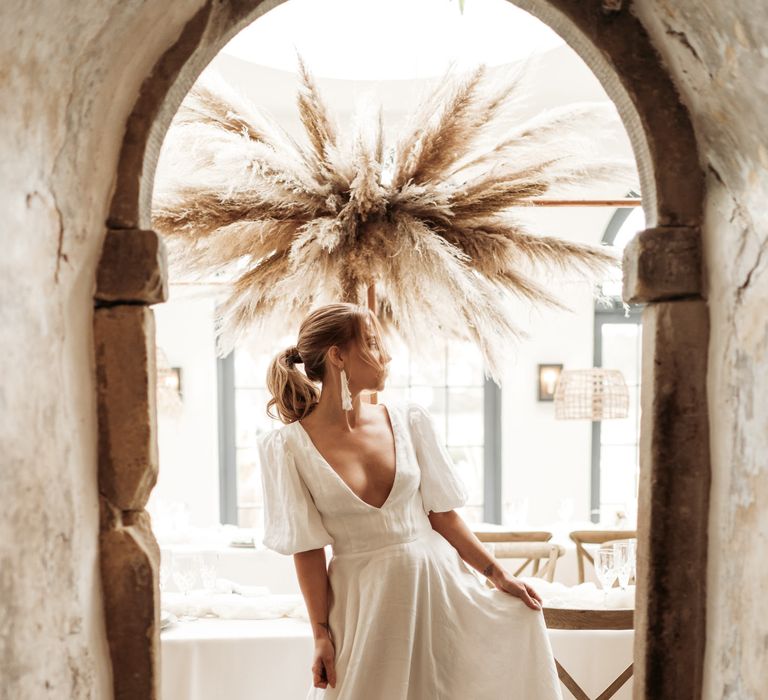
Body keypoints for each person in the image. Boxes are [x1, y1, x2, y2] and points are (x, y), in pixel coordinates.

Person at [258, 302, 563, 699]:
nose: (386, 354)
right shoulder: (286, 448)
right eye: (371, 342)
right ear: (337, 356)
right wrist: (320, 635)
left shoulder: (409, 420)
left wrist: (498, 574)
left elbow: (444, 517)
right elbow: (308, 550)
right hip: (363, 603)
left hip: (439, 588)